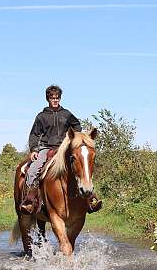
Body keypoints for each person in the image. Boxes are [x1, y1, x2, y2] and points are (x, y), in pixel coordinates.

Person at [19, 84, 102, 214]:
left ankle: (90, 199)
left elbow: (77, 126)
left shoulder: (66, 114)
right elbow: (34, 134)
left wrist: (74, 139)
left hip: (63, 148)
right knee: (33, 170)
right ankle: (30, 200)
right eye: (52, 98)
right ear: (48, 99)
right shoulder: (41, 116)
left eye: (57, 98)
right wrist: (34, 149)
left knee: (81, 165)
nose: (55, 100)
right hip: (46, 148)